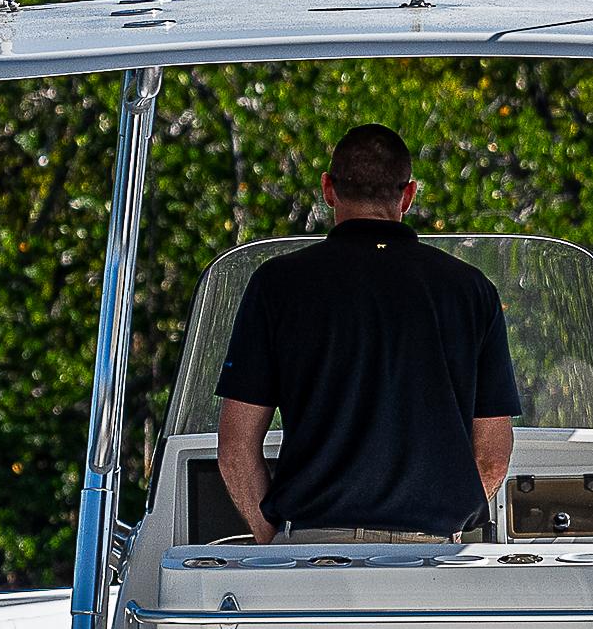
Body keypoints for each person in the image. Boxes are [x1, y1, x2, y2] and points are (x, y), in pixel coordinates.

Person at [215, 124, 520, 543]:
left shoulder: (278, 284)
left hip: (314, 555)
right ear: (408, 195)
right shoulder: (471, 290)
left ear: (328, 188)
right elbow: (493, 458)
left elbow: (234, 448)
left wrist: (276, 540)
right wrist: (442, 530)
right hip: (432, 562)